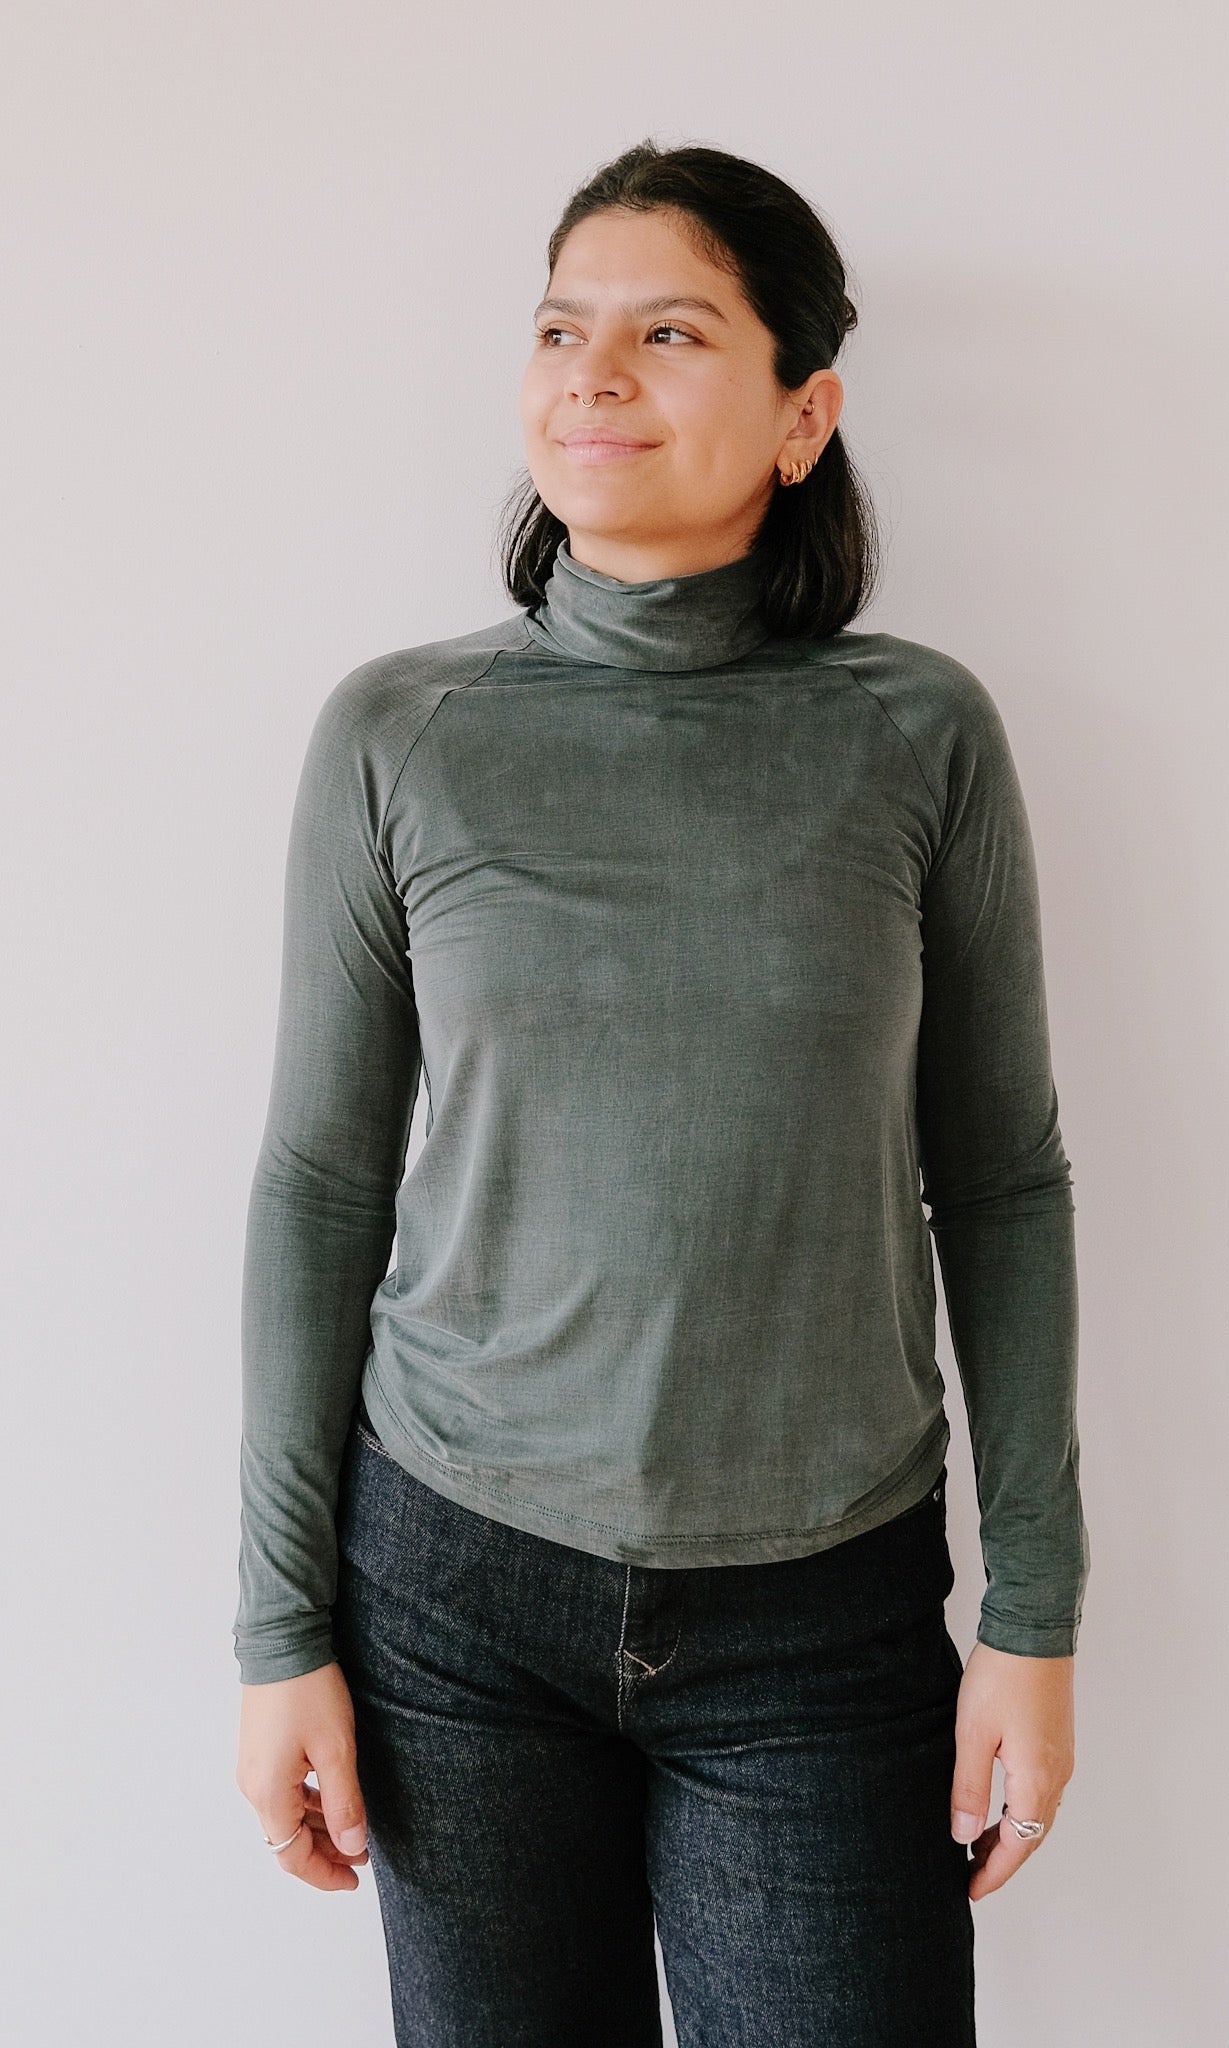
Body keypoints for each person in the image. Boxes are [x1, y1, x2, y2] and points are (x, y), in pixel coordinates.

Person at [233, 138, 1089, 2047]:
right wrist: (279, 1629)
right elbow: (317, 1183)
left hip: (823, 1615)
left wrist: (1031, 1614)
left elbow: (1002, 1181)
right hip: (450, 1593)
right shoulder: (402, 731)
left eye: (669, 332)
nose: (591, 376)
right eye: (560, 330)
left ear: (804, 414)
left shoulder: (914, 730)